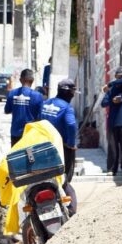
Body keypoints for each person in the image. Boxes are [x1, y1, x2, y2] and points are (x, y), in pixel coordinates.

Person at [39, 78, 79, 214]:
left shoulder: (45, 104)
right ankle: (71, 210)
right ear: (69, 93)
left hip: (43, 147)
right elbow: (71, 125)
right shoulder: (66, 108)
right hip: (61, 148)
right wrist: (71, 144)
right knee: (64, 179)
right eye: (73, 92)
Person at [100, 66, 122, 176]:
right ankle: (111, 169)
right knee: (112, 147)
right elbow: (103, 103)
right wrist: (112, 100)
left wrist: (109, 84)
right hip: (113, 122)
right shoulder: (111, 90)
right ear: (115, 76)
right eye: (120, 76)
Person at [4, 68, 44, 147]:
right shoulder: (38, 96)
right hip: (30, 134)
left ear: (20, 80)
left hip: (15, 133)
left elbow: (7, 110)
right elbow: (40, 118)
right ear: (32, 80)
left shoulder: (12, 93)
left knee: (16, 154)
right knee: (29, 155)